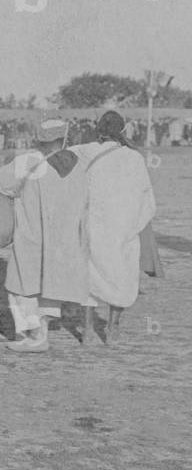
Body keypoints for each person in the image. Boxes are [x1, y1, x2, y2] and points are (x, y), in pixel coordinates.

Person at [0, 118, 90, 352]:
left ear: (39, 138)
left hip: (32, 234)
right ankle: (42, 331)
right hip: (64, 238)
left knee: (21, 285)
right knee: (49, 284)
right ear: (65, 138)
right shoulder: (79, 164)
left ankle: (36, 336)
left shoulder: (27, 161)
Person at [69, 111, 157, 344]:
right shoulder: (134, 158)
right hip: (123, 228)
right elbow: (147, 199)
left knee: (89, 276)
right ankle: (113, 328)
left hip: (93, 225)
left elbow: (61, 160)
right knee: (122, 276)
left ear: (99, 129)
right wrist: (133, 225)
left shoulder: (86, 150)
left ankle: (88, 331)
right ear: (122, 130)